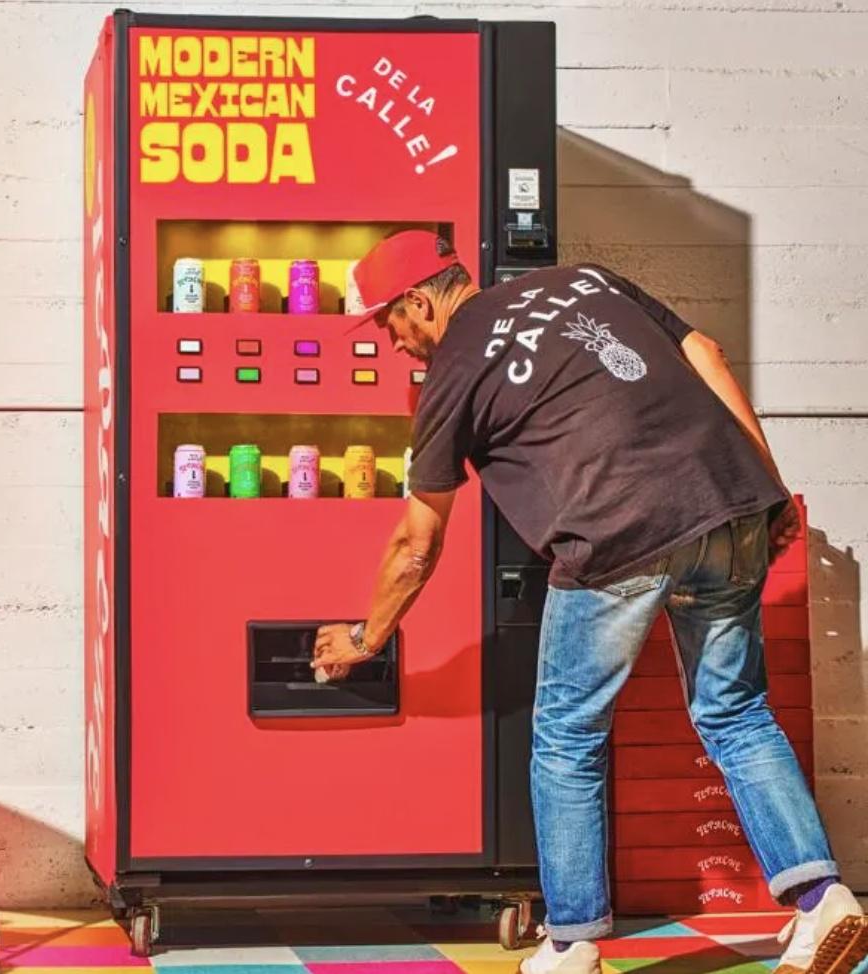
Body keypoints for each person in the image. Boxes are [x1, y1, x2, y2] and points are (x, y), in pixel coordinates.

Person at [311, 232, 867, 974]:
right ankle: (820, 900)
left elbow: (418, 542)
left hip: (617, 531)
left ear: (420, 302)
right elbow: (706, 353)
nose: (392, 342)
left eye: (390, 324)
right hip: (727, 505)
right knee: (736, 713)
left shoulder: (450, 371)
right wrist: (762, 484)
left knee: (568, 737)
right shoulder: (583, 278)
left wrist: (365, 636)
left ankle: (572, 944)